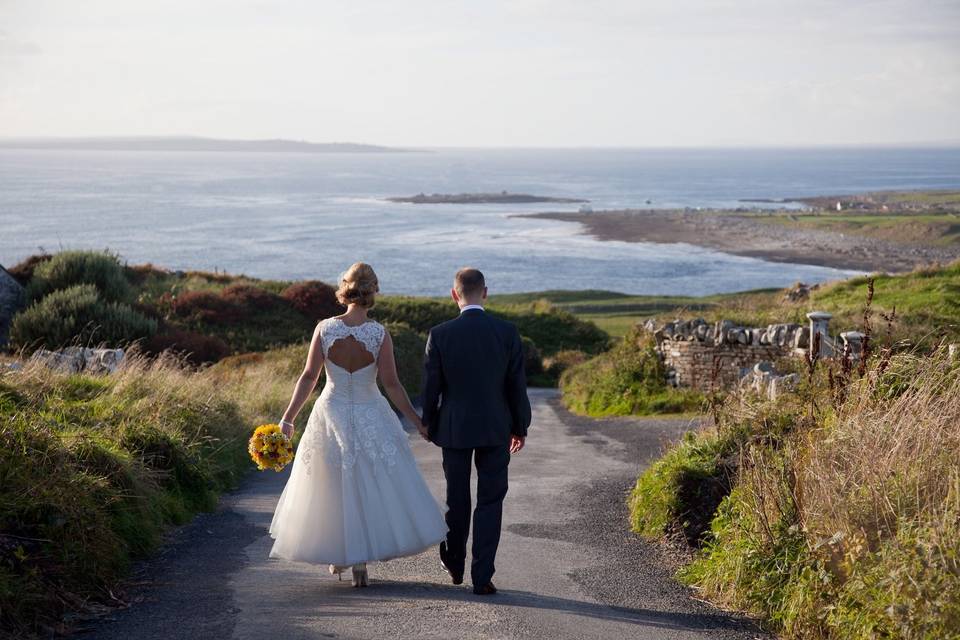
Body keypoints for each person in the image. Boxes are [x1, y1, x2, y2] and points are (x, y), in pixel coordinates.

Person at [268, 262, 446, 587]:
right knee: (368, 483)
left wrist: (288, 419)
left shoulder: (324, 328)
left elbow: (309, 377)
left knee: (334, 485)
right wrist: (417, 421)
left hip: (331, 411)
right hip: (370, 413)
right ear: (373, 291)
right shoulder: (379, 334)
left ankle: (342, 555)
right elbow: (392, 384)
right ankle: (360, 560)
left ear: (345, 289)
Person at [421, 267, 532, 595]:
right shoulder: (507, 332)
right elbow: (516, 386)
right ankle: (482, 577)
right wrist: (519, 426)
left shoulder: (440, 334)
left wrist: (428, 422)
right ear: (485, 292)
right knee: (491, 501)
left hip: (454, 428)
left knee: (457, 498)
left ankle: (454, 562)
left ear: (454, 294)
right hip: (497, 427)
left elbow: (431, 388)